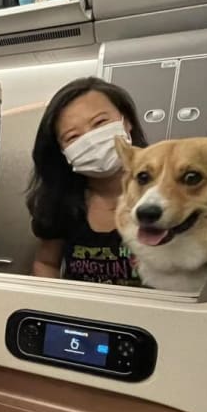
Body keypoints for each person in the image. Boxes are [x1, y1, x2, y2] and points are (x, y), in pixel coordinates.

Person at [26, 77, 148, 287]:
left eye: (100, 123)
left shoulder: (167, 191)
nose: (91, 140)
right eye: (73, 137)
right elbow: (46, 263)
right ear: (63, 152)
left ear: (126, 121)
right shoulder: (60, 203)